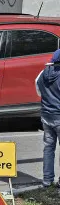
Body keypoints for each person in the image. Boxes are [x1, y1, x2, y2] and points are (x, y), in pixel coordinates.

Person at [38, 49, 60, 188]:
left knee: (48, 148)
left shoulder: (43, 74)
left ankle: (47, 180)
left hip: (46, 115)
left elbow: (38, 90)